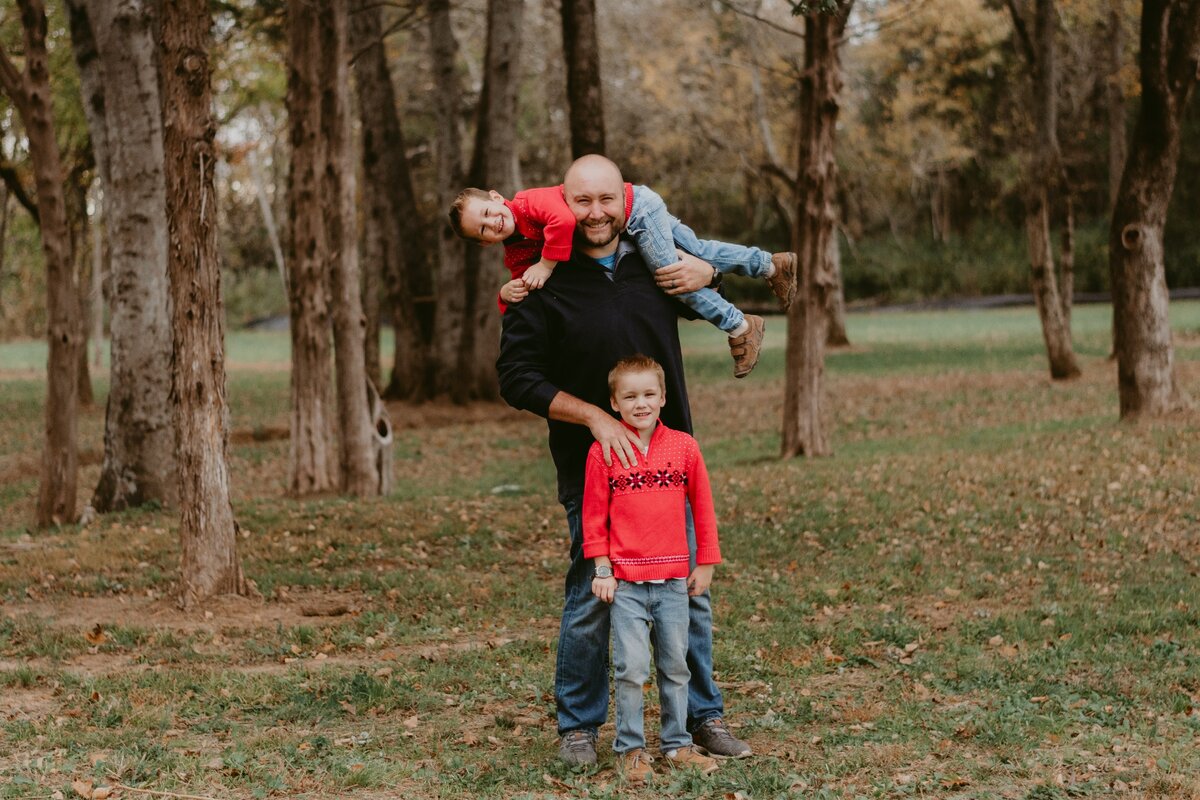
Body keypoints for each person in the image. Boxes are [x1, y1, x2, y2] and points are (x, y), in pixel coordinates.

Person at [496, 154, 753, 768]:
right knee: (593, 593)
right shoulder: (540, 280)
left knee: (688, 594)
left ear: (625, 200)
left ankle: (703, 717)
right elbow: (516, 377)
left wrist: (708, 271)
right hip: (593, 471)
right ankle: (578, 726)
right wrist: (593, 417)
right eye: (582, 201)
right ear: (563, 203)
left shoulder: (652, 261)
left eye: (607, 199)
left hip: (669, 467)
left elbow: (714, 300)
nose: (596, 213)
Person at [451, 181, 796, 378]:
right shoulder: (516, 251)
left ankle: (739, 326)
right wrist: (504, 294)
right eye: (483, 229)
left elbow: (563, 223)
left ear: (496, 197)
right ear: (484, 243)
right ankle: (770, 265)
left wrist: (545, 265)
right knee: (700, 250)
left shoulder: (528, 203)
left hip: (634, 210)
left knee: (670, 276)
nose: (492, 223)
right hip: (637, 203)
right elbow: (523, 287)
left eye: (487, 213)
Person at [584, 355, 722, 782]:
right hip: (625, 584)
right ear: (614, 403)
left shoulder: (684, 447)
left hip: (674, 584)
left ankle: (677, 744)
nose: (640, 403)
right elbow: (594, 514)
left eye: (648, 394)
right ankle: (631, 749)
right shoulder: (603, 450)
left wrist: (706, 563)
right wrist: (602, 568)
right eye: (630, 396)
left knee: (676, 666)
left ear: (663, 397)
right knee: (630, 669)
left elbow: (703, 507)